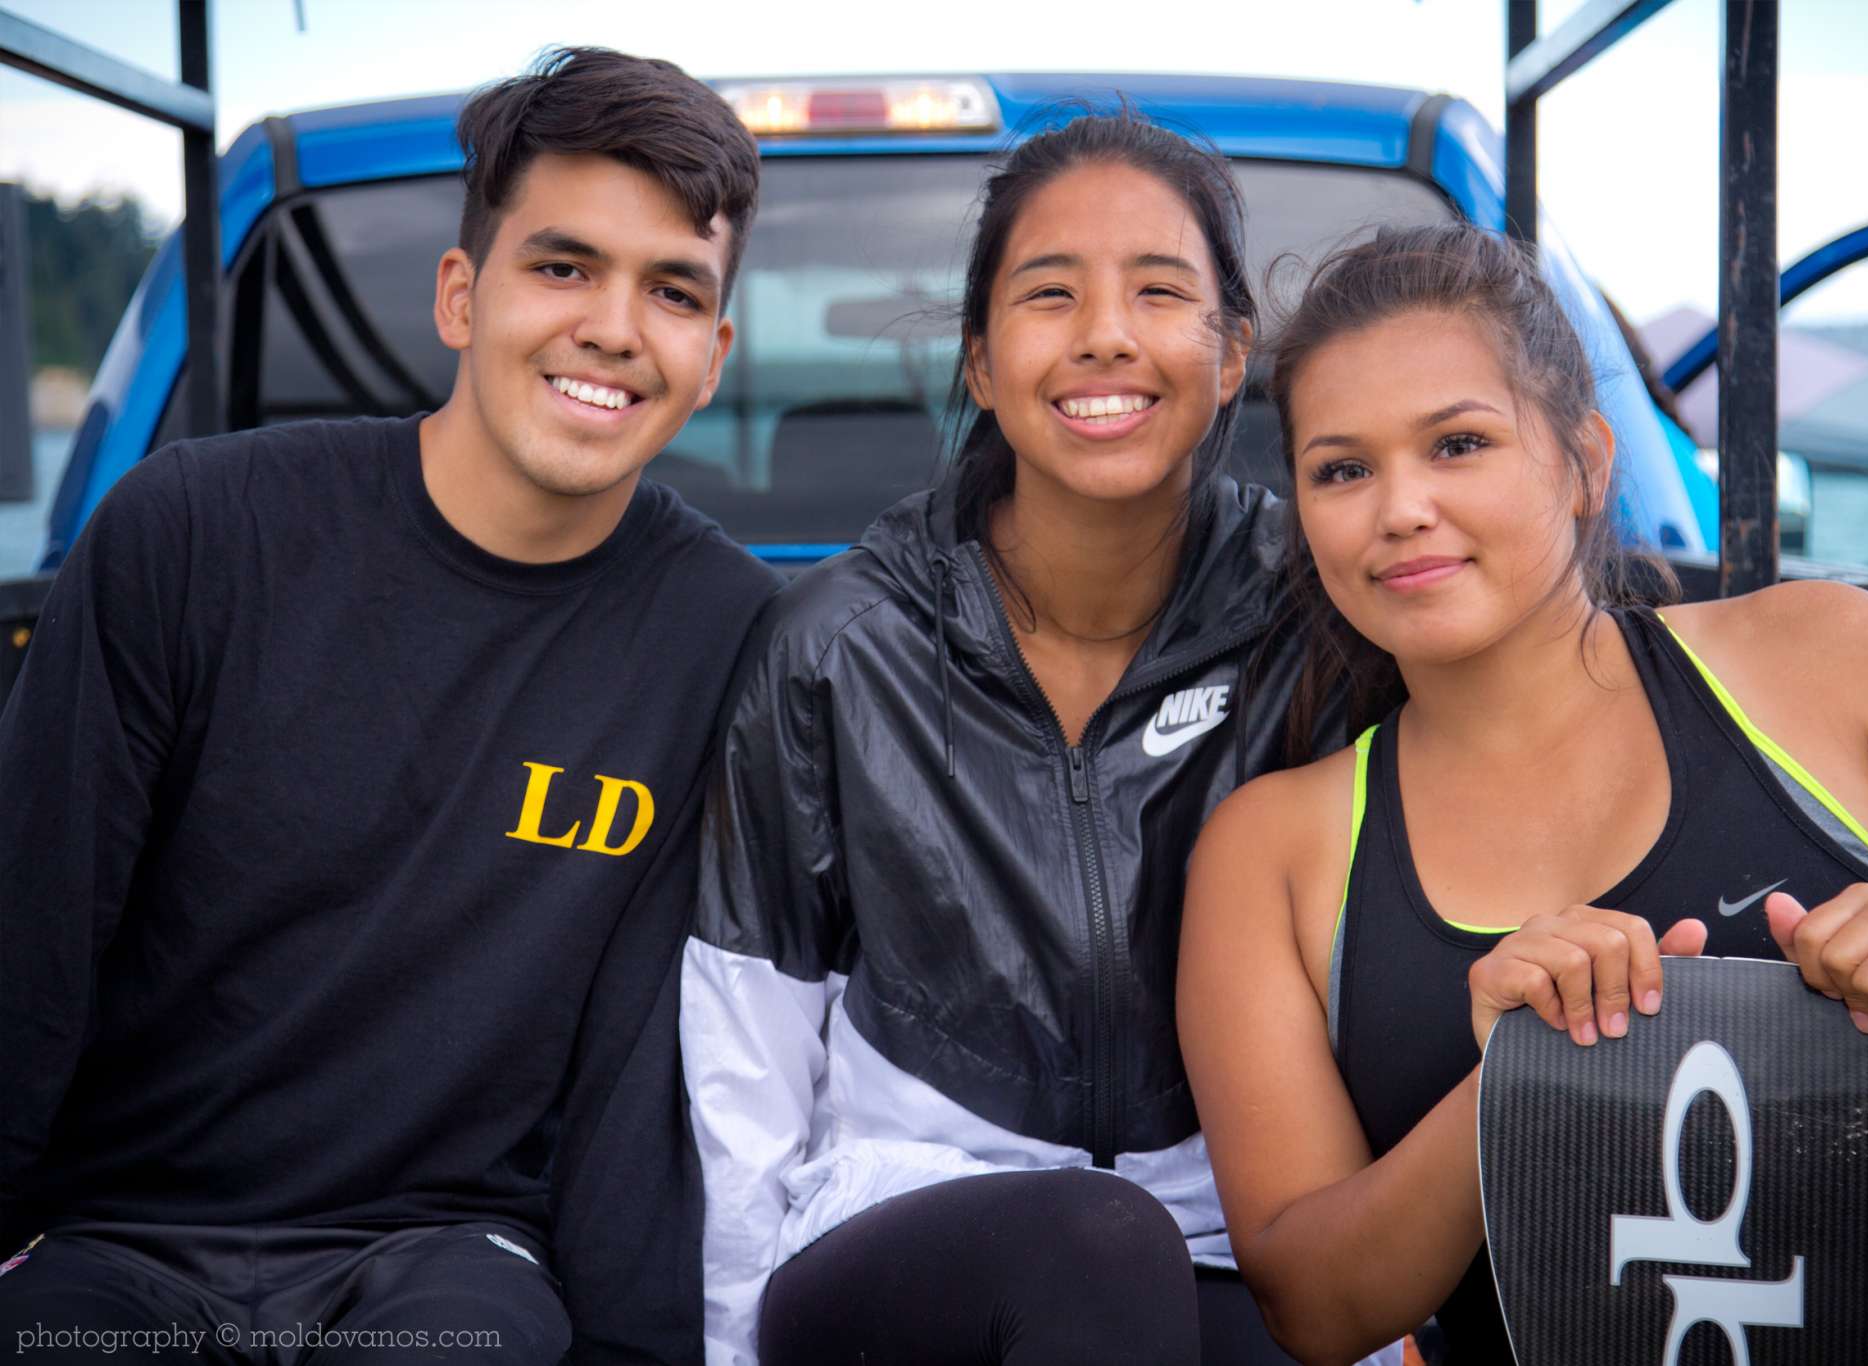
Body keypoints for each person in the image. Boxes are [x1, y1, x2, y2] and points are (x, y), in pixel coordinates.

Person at [0, 47, 777, 1364]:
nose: (612, 326)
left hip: (451, 1256)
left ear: (712, 354)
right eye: (563, 264)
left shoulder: (726, 637)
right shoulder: (194, 534)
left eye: (672, 291)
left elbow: (644, 1078)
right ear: (461, 296)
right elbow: (28, 946)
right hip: (117, 1240)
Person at [1177, 223, 1868, 1366]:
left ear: (1584, 463)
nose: (1397, 509)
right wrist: (1508, 1084)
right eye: (1342, 469)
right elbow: (1315, 1305)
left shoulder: (1831, 657)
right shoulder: (1268, 851)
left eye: (1456, 445)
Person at [683, 111, 1400, 1366]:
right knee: (1095, 1242)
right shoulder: (838, 640)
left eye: (1157, 291)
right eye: (1049, 292)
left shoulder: (1331, 613)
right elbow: (749, 1035)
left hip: (1227, 1223)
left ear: (1231, 354)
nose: (1105, 334)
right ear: (978, 361)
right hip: (892, 1224)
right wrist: (737, 1348)